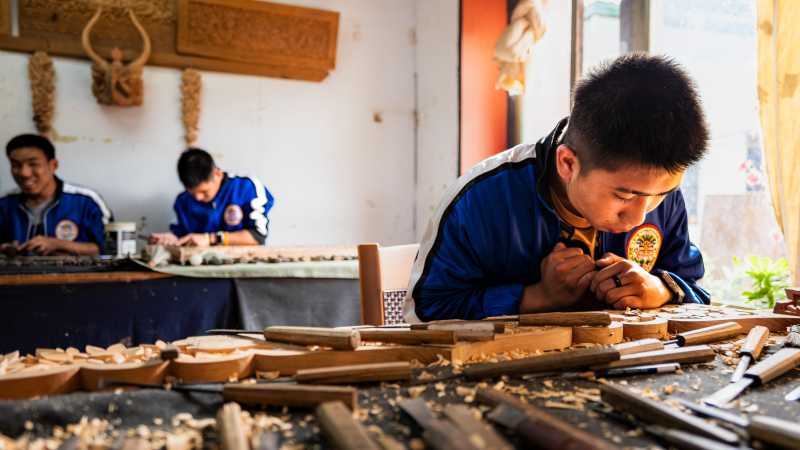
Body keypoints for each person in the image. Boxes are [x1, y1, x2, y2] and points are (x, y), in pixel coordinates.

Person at [404, 54, 711, 322]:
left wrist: (659, 290)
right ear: (568, 164)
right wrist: (536, 298)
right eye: (624, 195)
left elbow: (694, 288)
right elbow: (424, 312)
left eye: (662, 194)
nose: (639, 218)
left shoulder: (657, 190)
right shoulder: (479, 201)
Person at [0, 134, 112, 256]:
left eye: (33, 164)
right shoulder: (4, 204)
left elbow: (111, 249)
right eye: (16, 165)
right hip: (17, 275)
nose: (24, 173)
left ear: (53, 165)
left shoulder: (86, 201)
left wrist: (59, 244)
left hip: (78, 275)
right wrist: (5, 248)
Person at [150, 148, 274, 247]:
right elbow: (182, 235)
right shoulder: (183, 201)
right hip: (198, 272)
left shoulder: (246, 188)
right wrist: (172, 238)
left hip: (241, 269)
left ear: (217, 174)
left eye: (204, 191)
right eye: (192, 192)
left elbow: (258, 236)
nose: (198, 197)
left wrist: (210, 239)